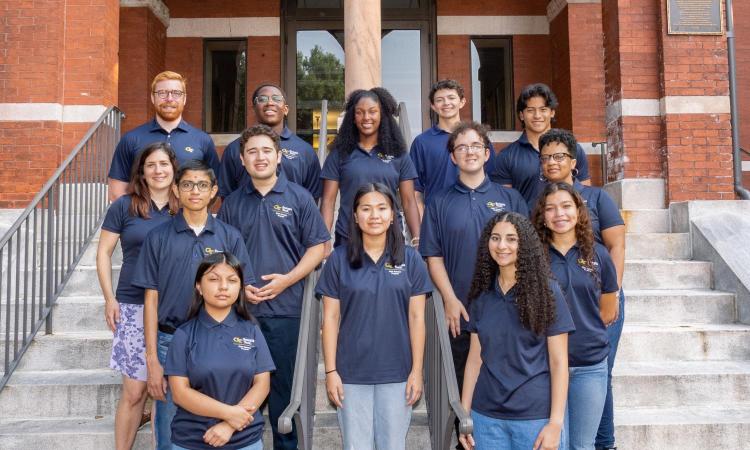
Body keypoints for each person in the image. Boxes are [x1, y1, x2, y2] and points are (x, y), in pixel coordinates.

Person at [218, 124, 329, 449]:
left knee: (284, 394)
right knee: (239, 390)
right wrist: (240, 288)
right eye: (252, 151)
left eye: (267, 150)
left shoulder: (299, 197)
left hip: (287, 312)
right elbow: (224, 256)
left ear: (279, 156)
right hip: (240, 315)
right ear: (242, 159)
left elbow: (318, 247)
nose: (260, 157)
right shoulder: (232, 205)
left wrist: (287, 280)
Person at [132, 160, 256, 450]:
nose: (195, 191)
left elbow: (240, 293)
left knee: (221, 422)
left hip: (221, 341)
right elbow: (150, 300)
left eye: (202, 185)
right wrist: (152, 360)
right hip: (170, 339)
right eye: (187, 184)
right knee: (171, 428)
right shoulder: (158, 237)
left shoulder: (229, 236)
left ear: (214, 191)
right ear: (176, 188)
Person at [419, 121, 527, 449]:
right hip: (460, 312)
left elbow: (526, 252)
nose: (469, 152)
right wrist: (449, 299)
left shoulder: (508, 198)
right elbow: (432, 255)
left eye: (475, 146)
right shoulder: (438, 202)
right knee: (460, 389)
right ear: (452, 157)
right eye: (461, 147)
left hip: (506, 313)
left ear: (487, 152)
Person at [316, 183, 432, 450]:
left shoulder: (411, 260)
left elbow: (417, 319)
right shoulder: (338, 259)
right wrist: (331, 372)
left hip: (398, 372)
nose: (374, 215)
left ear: (393, 214)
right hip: (350, 374)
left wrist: (416, 371)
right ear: (355, 216)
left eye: (382, 208)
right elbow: (330, 319)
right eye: (366, 209)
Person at [533, 129, 626, 450]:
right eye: (545, 157)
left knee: (584, 433)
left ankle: (607, 443)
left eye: (559, 156)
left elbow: (616, 248)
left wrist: (607, 290)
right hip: (547, 358)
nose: (559, 214)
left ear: (574, 162)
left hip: (591, 323)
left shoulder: (598, 200)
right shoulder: (537, 253)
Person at [459, 212, 574, 450]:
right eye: (495, 238)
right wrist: (465, 416)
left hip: (534, 418)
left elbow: (559, 362)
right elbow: (474, 360)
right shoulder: (481, 295)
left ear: (525, 245)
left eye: (511, 239)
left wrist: (555, 423)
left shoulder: (548, 293)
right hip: (486, 418)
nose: (502, 246)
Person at [96, 142, 179, 450]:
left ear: (174, 169)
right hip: (132, 305)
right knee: (134, 392)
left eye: (164, 164)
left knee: (169, 391)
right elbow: (104, 253)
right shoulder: (124, 205)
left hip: (174, 308)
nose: (158, 170)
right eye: (151, 165)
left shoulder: (184, 206)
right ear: (142, 172)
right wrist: (109, 298)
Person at [165, 252, 275, 450]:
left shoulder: (252, 330)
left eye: (232, 280)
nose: (223, 286)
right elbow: (180, 393)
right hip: (193, 440)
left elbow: (262, 385)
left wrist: (228, 426)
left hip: (245, 440)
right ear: (199, 286)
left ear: (240, 287)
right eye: (214, 279)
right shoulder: (184, 335)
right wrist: (230, 414)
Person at [320, 87, 421, 249]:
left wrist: (417, 238)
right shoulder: (339, 154)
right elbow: (328, 201)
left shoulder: (399, 154)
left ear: (382, 115)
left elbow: (409, 201)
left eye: (372, 111)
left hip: (390, 240)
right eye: (360, 112)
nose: (366, 117)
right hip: (348, 240)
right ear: (353, 117)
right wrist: (324, 239)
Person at [108, 71, 220, 201]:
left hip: (187, 219)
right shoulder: (131, 139)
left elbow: (214, 185)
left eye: (176, 93)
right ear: (152, 98)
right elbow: (117, 190)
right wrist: (136, 219)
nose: (169, 98)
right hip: (144, 219)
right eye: (162, 93)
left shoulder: (202, 140)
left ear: (184, 99)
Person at [492, 83, 590, 206]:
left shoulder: (573, 149)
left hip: (566, 222)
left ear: (552, 112)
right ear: (521, 115)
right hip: (526, 223)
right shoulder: (506, 156)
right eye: (530, 110)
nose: (537, 116)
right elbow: (504, 203)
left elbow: (585, 196)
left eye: (543, 109)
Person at [218, 84, 322, 200]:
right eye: (262, 99)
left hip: (292, 217)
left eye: (276, 99)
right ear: (254, 108)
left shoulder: (305, 151)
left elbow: (312, 197)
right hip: (247, 217)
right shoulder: (235, 149)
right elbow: (227, 196)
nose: (270, 103)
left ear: (286, 109)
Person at [409, 80, 497, 209]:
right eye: (439, 100)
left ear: (462, 102)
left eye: (451, 98)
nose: (446, 103)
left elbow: (494, 182)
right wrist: (423, 226)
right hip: (437, 217)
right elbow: (415, 192)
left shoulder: (479, 138)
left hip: (477, 213)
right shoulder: (422, 142)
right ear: (433, 106)